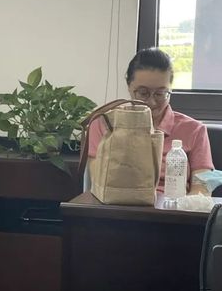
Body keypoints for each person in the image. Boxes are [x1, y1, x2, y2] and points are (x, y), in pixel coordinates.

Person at [88, 48, 213, 194]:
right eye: (143, 93)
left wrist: (188, 205)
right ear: (129, 86)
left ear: (170, 89)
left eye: (160, 94)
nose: (152, 102)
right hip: (117, 203)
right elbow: (98, 180)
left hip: (173, 205)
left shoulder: (194, 130)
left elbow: (202, 188)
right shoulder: (104, 123)